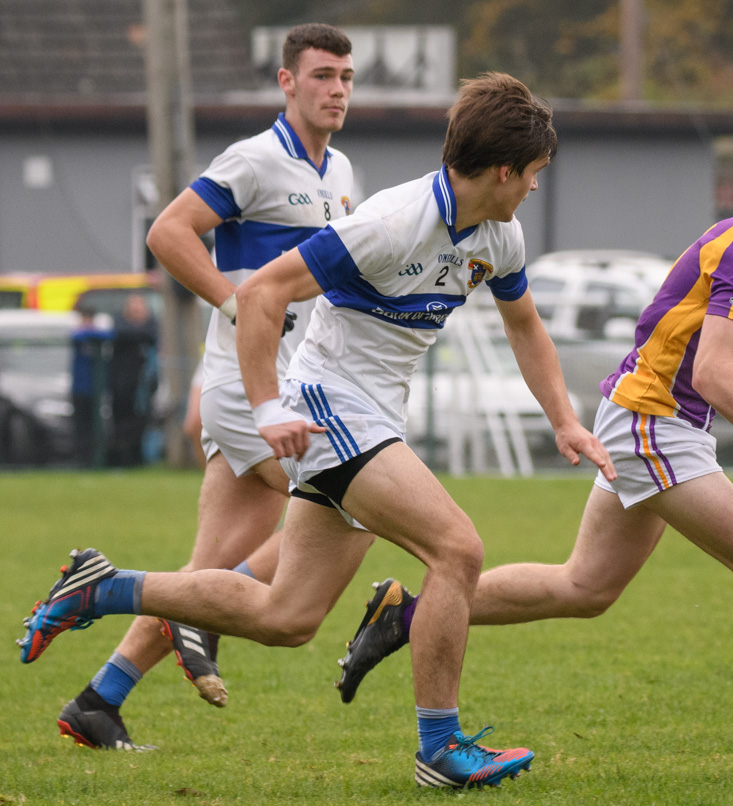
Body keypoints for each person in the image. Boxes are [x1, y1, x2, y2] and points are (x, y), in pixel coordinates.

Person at [21, 71, 612, 789]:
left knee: (286, 615)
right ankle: (440, 747)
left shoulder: (500, 235)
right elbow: (264, 292)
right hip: (331, 406)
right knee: (457, 550)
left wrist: (563, 421)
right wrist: (268, 407)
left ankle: (105, 588)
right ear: (501, 170)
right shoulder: (392, 223)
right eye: (535, 175)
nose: (536, 189)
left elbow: (524, 326)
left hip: (370, 418)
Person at [334, 112, 733, 775]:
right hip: (650, 421)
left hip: (662, 423)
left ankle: (408, 614)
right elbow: (717, 373)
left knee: (585, 587)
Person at [50, 23, 360, 751]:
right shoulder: (253, 160)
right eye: (321, 75)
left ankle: (100, 700)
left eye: (345, 77)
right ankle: (188, 613)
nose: (337, 89)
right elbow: (168, 233)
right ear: (286, 83)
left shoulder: (341, 170)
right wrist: (232, 303)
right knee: (355, 503)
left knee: (206, 571)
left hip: (286, 390)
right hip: (256, 392)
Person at [107, 294, 158, 467]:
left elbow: (152, 334)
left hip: (142, 387)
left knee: (141, 424)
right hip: (121, 386)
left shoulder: (151, 325)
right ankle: (120, 459)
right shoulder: (118, 323)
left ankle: (138, 459)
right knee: (120, 423)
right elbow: (121, 332)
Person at [69, 304, 112, 467]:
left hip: (95, 388)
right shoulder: (78, 335)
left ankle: (93, 459)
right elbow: (77, 336)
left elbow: (110, 335)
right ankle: (80, 459)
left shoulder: (97, 334)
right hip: (79, 388)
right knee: (80, 425)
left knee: (95, 426)